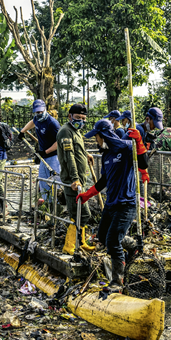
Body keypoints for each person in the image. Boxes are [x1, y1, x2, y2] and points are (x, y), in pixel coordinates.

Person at [76, 120, 149, 287]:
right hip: (111, 203)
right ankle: (133, 246)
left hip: (126, 203)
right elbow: (104, 180)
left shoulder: (126, 147)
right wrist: (87, 194)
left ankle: (117, 282)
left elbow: (143, 163)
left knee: (113, 241)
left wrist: (139, 143)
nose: (96, 140)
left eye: (96, 137)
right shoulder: (106, 155)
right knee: (102, 236)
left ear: (103, 135)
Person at [56, 103, 94, 224]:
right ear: (70, 116)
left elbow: (77, 149)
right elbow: (69, 156)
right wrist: (75, 179)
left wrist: (86, 154)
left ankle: (80, 241)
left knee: (81, 215)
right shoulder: (66, 131)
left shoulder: (75, 131)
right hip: (73, 182)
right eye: (77, 117)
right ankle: (73, 242)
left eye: (83, 118)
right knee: (81, 215)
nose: (81, 121)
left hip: (80, 181)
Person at [18, 99, 60, 203]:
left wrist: (46, 151)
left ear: (45, 109)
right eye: (37, 112)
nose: (39, 114)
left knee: (55, 182)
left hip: (54, 156)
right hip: (44, 157)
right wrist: (23, 131)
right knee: (42, 181)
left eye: (41, 112)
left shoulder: (52, 123)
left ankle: (57, 205)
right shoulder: (37, 119)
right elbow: (32, 122)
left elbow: (59, 142)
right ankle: (47, 204)